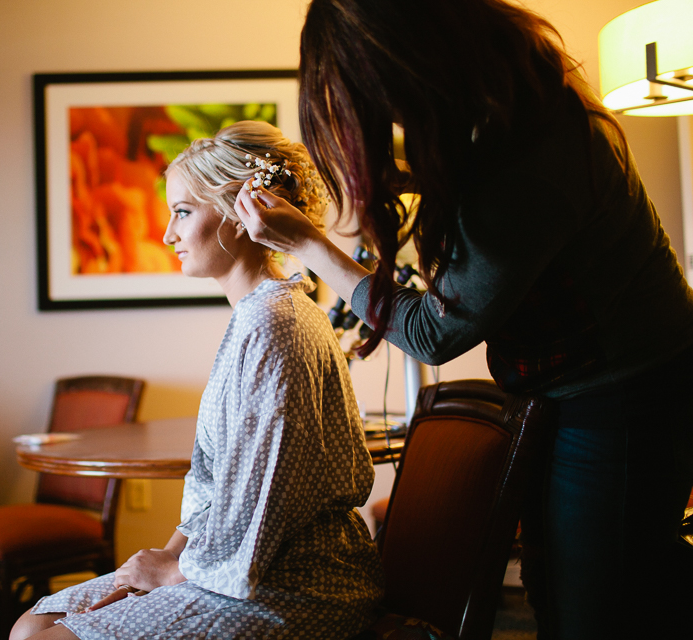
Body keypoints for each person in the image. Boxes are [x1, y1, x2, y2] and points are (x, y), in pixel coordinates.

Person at [233, 1, 693, 638]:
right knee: (563, 590)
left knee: (595, 609)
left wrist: (312, 244)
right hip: (576, 390)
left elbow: (433, 332)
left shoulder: (530, 154)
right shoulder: (503, 116)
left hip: (623, 396)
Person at [9, 120, 385, 640]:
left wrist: (174, 572)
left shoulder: (276, 325)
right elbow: (213, 483)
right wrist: (169, 553)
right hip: (229, 565)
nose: (168, 234)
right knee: (33, 623)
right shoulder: (255, 317)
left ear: (240, 212)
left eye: (182, 212)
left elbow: (264, 493)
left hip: (295, 585)